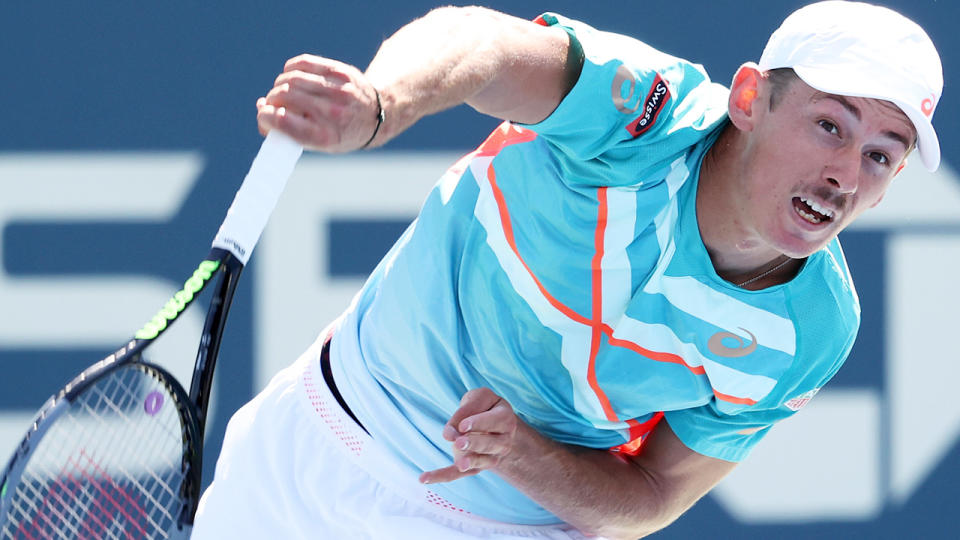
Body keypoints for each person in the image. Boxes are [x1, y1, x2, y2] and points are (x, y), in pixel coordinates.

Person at [192, 2, 943, 539]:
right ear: (750, 99)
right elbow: (480, 41)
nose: (846, 173)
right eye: (828, 126)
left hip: (502, 525)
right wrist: (381, 105)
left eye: (880, 154)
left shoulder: (809, 331)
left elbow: (651, 497)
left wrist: (525, 454)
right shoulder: (647, 112)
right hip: (317, 438)